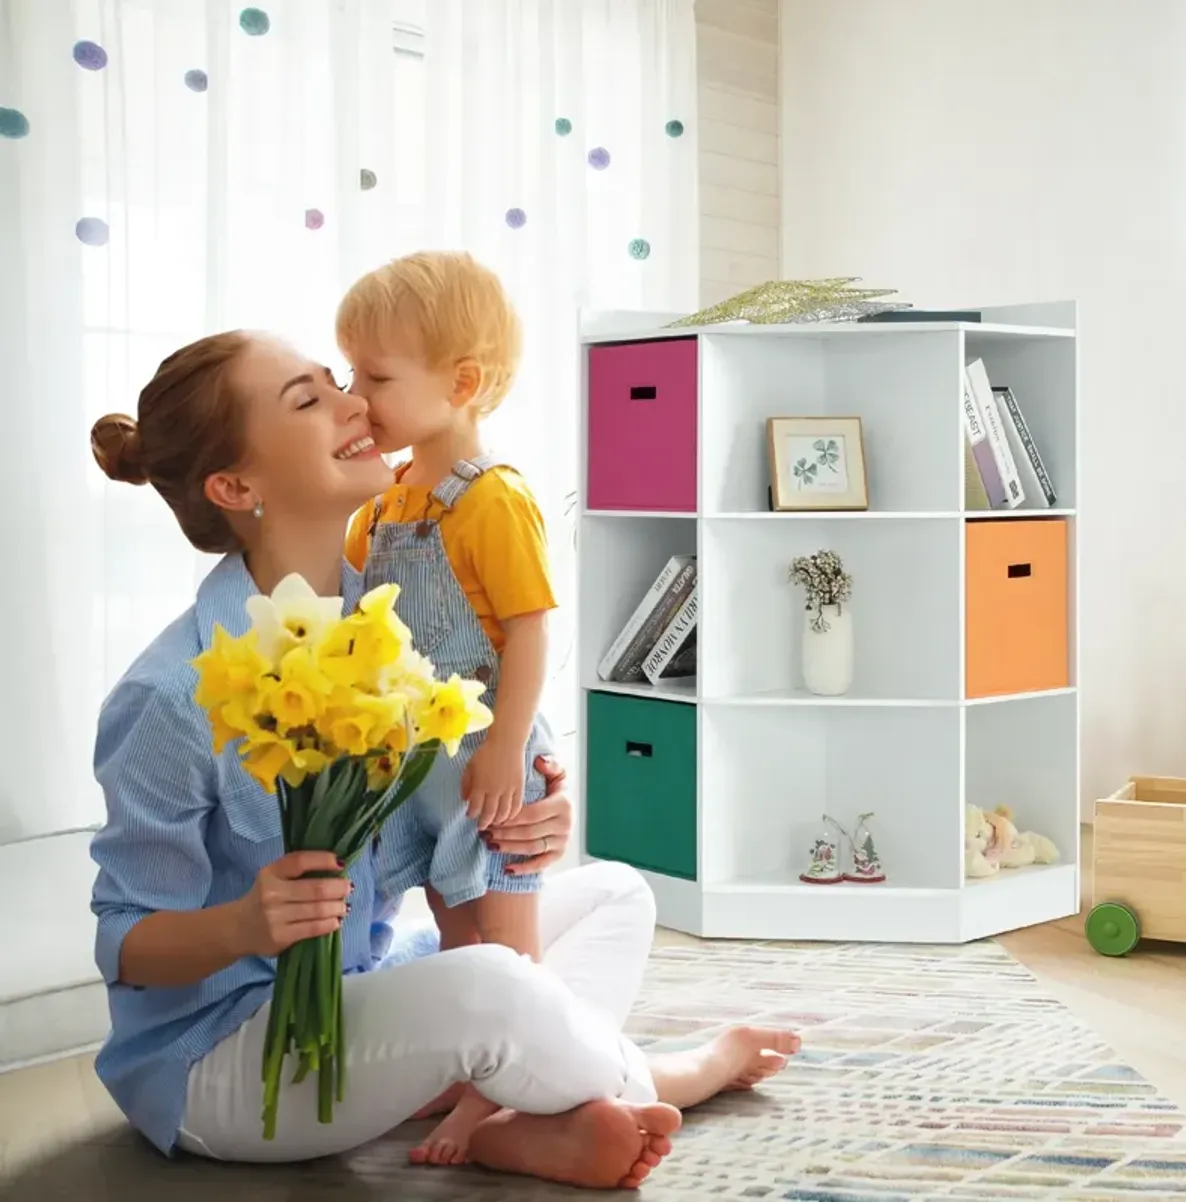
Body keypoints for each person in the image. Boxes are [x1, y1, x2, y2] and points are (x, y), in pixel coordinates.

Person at [88, 329, 800, 1188]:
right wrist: (245, 925)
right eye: (309, 401)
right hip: (226, 1058)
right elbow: (126, 941)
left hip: (363, 982)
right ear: (237, 486)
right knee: (492, 986)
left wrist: (526, 815)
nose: (356, 403)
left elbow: (440, 830)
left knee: (616, 893)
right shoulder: (171, 694)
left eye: (335, 380)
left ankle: (505, 1117)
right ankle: (681, 1075)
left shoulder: (398, 633)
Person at [338, 251, 554, 1162]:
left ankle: (516, 1087)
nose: (357, 398)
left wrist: (506, 749)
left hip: (482, 750)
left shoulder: (491, 500)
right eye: (350, 374)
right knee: (455, 926)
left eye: (376, 378)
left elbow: (531, 629)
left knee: (504, 940)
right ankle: (474, 1076)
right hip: (417, 762)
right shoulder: (384, 506)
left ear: (461, 382)